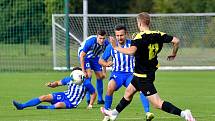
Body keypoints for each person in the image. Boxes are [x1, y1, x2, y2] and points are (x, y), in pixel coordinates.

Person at [101, 12, 196, 121]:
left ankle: (184, 114)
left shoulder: (139, 37)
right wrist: (174, 53)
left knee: (158, 104)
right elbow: (176, 41)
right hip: (142, 73)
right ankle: (114, 113)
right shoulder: (158, 34)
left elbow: (131, 52)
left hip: (143, 76)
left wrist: (115, 47)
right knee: (128, 93)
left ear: (139, 23)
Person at [99, 24, 154, 121]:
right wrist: (106, 63)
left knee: (141, 89)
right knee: (110, 87)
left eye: (121, 35)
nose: (119, 37)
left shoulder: (133, 44)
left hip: (131, 74)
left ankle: (148, 112)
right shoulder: (111, 47)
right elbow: (101, 60)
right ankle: (107, 114)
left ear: (126, 34)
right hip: (117, 74)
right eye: (117, 35)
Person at [12, 67, 96, 110]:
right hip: (64, 95)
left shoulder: (86, 83)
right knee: (43, 97)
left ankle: (45, 108)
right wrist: (51, 84)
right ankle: (22, 106)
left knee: (58, 105)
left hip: (72, 102)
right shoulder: (69, 79)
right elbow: (57, 83)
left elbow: (93, 93)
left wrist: (90, 104)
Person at [78, 30, 109, 104]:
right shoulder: (90, 42)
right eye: (100, 38)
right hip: (85, 56)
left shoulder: (107, 44)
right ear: (97, 37)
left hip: (95, 57)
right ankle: (88, 98)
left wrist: (104, 72)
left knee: (100, 76)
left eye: (103, 38)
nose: (102, 40)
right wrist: (83, 70)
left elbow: (104, 57)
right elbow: (82, 55)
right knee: (89, 75)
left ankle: (100, 99)